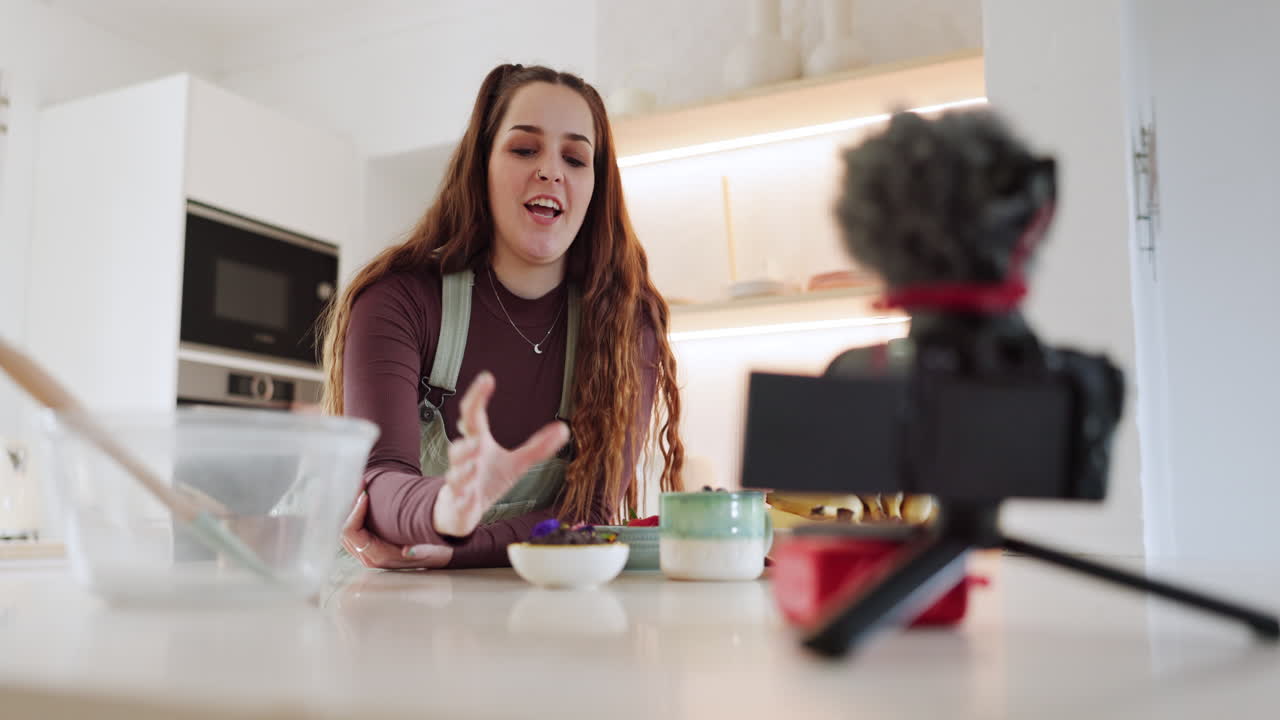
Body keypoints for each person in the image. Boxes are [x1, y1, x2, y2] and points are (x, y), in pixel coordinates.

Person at [322, 63, 684, 570]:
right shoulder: (398, 301)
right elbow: (380, 484)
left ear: (596, 188)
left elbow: (591, 512)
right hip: (382, 603)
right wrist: (447, 507)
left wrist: (454, 548)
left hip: (529, 611)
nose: (552, 171)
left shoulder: (625, 323)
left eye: (576, 158)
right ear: (481, 166)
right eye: (524, 149)